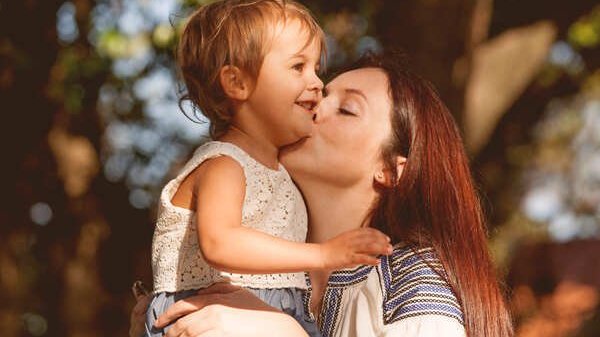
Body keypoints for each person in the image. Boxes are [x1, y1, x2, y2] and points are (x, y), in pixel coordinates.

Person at [131, 51, 515, 337]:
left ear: (391, 170)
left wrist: (284, 332)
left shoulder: (411, 283)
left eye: (347, 109)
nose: (314, 103)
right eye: (320, 93)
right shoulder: (256, 259)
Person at [144, 1, 393, 336]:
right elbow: (220, 242)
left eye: (316, 67)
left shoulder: (283, 176)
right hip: (207, 314)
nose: (317, 82)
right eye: (298, 67)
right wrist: (323, 254)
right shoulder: (224, 164)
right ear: (237, 83)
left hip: (269, 315)